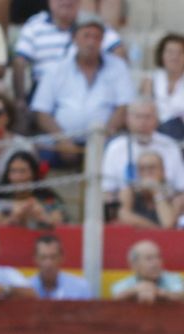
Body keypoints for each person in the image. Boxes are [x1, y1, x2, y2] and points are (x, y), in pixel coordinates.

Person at [30, 12, 133, 167]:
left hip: (104, 137)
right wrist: (62, 139)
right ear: (74, 38)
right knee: (36, 153)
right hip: (63, 139)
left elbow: (124, 106)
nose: (91, 42)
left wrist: (102, 137)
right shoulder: (55, 68)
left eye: (97, 37)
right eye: (86, 36)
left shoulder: (118, 66)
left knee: (123, 151)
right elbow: (42, 112)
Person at [11, 0, 123, 106]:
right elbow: (19, 61)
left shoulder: (91, 23)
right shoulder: (34, 25)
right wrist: (20, 99)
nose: (66, 1)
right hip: (44, 94)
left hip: (88, 91)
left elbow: (118, 51)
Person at [99, 99, 184, 201]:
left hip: (165, 204)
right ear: (127, 119)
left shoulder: (169, 145)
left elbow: (180, 188)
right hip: (127, 206)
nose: (142, 122)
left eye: (148, 117)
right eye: (138, 117)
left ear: (157, 120)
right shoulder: (115, 147)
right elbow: (107, 190)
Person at [0, 150, 67, 227]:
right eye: (13, 171)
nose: (18, 177)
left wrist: (42, 217)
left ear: (33, 174)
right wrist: (14, 218)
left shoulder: (48, 199)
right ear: (8, 175)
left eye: (23, 171)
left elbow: (60, 226)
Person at [114, 152, 181, 229]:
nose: (147, 172)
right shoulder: (129, 192)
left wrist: (156, 193)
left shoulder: (174, 197)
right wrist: (157, 229)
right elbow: (124, 216)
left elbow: (168, 224)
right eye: (142, 169)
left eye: (152, 168)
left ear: (163, 171)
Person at [111, 240, 184, 303]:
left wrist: (159, 293)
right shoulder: (122, 284)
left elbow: (181, 296)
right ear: (134, 264)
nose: (156, 263)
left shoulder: (174, 279)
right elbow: (115, 300)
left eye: (158, 257)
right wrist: (135, 290)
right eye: (149, 258)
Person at [28, 233, 92, 299]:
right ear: (35, 259)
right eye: (43, 257)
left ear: (61, 258)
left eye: (53, 257)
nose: (48, 263)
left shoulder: (80, 288)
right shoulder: (24, 289)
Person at [152, 33, 184, 140]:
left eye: (180, 52)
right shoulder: (151, 80)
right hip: (153, 129)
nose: (175, 57)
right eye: (170, 52)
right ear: (162, 55)